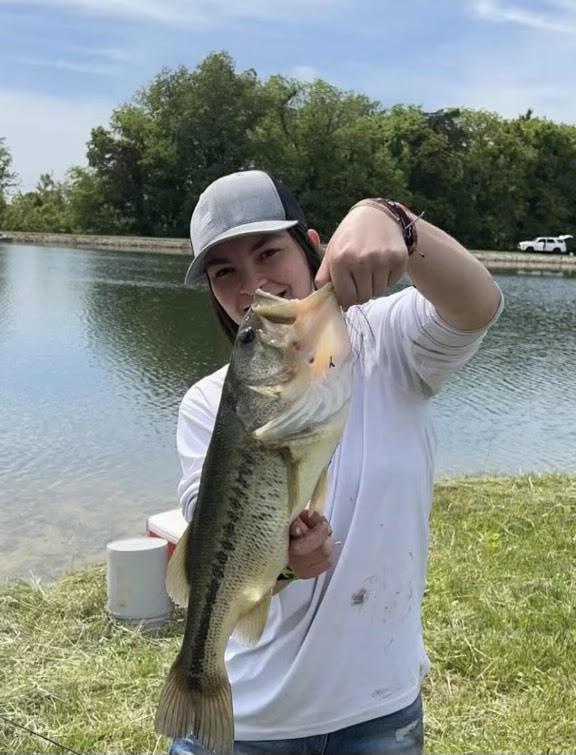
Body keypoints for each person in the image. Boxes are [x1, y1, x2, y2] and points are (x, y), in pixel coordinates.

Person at [170, 169, 503, 755]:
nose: (254, 285)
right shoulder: (209, 403)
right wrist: (288, 564)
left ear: (314, 246)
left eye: (268, 251)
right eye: (226, 273)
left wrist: (398, 222)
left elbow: (479, 305)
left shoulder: (392, 341)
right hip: (251, 721)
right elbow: (223, 541)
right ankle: (196, 680)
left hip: (377, 713)